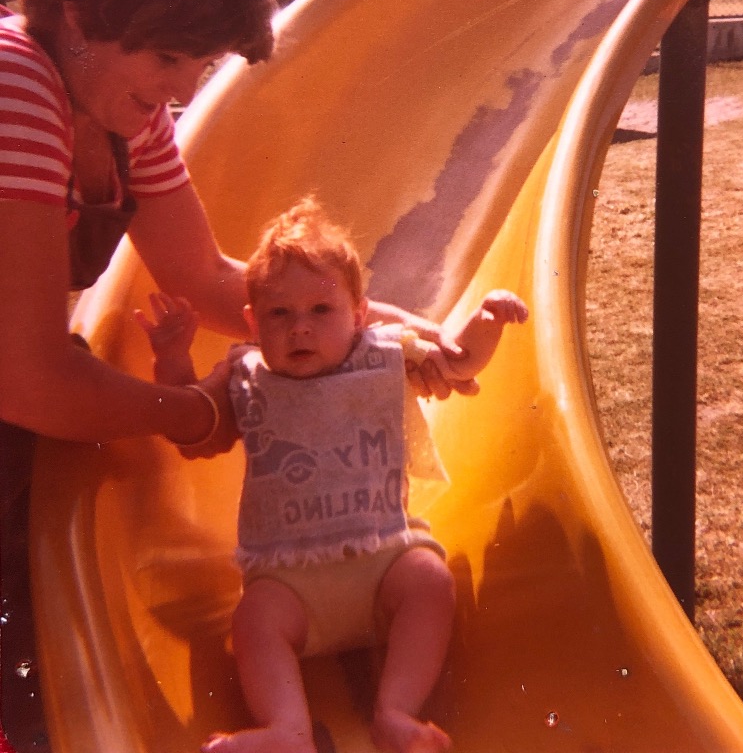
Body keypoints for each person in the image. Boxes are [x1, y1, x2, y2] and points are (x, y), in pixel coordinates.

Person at [0, 0, 463, 748]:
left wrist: (385, 327)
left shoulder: (123, 114)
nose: (177, 90)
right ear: (82, 15)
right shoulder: (17, 83)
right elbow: (24, 376)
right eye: (167, 57)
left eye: (196, 64)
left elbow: (215, 280)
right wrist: (198, 410)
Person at [137, 196, 529, 753]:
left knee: (430, 581)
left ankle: (395, 712)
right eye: (280, 314)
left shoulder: (384, 357)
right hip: (289, 584)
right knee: (252, 619)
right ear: (253, 321)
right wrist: (173, 361)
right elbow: (195, 433)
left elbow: (459, 359)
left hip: (383, 561)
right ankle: (288, 730)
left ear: (360, 314)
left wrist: (486, 319)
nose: (300, 329)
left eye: (321, 311)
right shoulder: (244, 376)